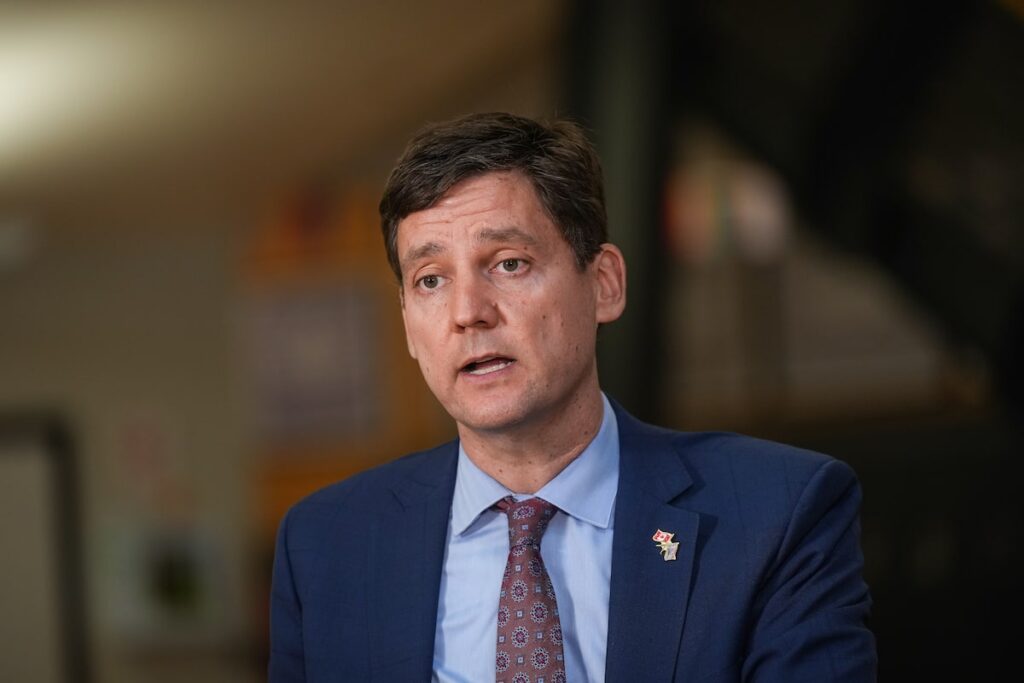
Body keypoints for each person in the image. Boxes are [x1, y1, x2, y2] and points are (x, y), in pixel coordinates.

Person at [269, 112, 877, 682]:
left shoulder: (776, 515)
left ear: (604, 284)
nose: (468, 312)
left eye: (508, 264)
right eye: (431, 280)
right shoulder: (325, 545)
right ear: (407, 323)